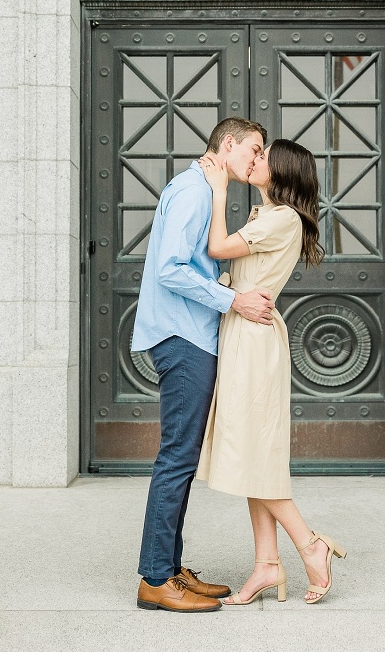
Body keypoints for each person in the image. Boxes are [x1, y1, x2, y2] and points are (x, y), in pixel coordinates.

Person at [132, 117, 276, 613]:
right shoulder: (195, 191)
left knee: (182, 459)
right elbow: (171, 269)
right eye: (253, 151)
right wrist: (232, 298)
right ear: (228, 144)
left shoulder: (199, 186)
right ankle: (155, 578)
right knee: (176, 458)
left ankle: (169, 570)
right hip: (183, 336)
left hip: (188, 334)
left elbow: (191, 261)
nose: (257, 161)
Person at [196, 140, 347, 605]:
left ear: (280, 170)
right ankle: (266, 564)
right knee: (252, 457)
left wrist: (219, 190)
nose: (254, 161)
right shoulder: (270, 217)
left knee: (254, 455)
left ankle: (309, 544)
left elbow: (217, 247)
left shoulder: (282, 218)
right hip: (245, 330)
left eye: (263, 157)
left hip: (253, 339)